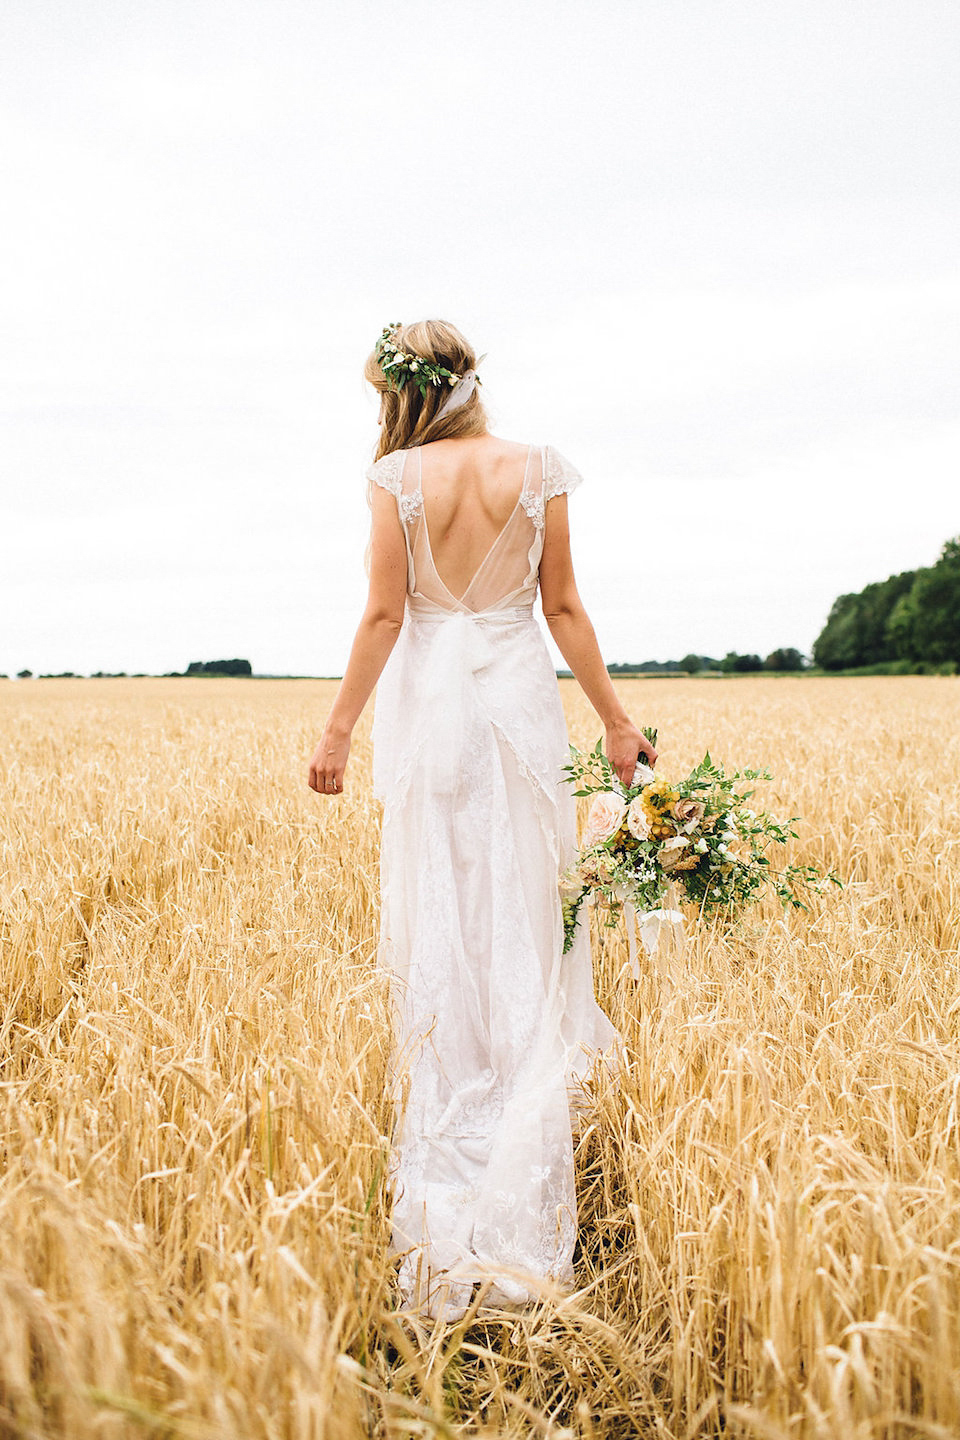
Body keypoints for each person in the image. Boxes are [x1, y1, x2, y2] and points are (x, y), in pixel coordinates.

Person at [308, 320, 656, 1320]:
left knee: (445, 901)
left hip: (432, 719)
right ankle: (523, 1099)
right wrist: (617, 722)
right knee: (527, 898)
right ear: (469, 378)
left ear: (403, 393)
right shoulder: (537, 467)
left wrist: (336, 734)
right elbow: (566, 609)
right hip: (516, 712)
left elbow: (383, 617)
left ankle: (456, 1105)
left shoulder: (398, 480)